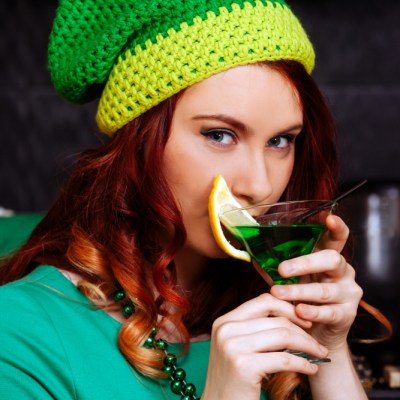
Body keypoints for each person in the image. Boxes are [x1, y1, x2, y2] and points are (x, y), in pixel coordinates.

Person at [0, 0, 368, 399]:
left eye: (280, 141)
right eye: (219, 135)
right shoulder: (21, 332)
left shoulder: (272, 310)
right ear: (138, 143)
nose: (260, 185)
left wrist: (329, 348)